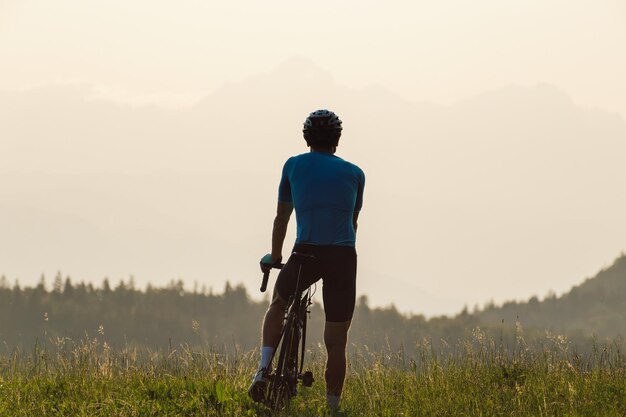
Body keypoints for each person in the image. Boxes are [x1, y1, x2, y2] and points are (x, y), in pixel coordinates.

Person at [249, 109, 365, 411]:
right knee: (336, 342)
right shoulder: (356, 174)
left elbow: (281, 218)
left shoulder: (293, 166)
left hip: (306, 252)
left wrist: (275, 256)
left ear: (306, 138)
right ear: (337, 140)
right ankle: (332, 407)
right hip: (341, 256)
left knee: (279, 302)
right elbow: (352, 225)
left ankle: (263, 370)